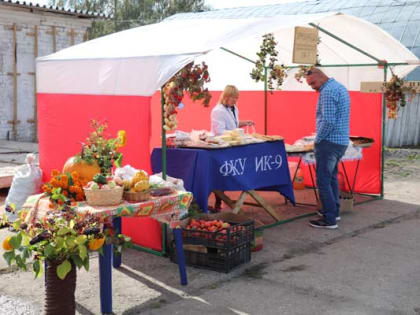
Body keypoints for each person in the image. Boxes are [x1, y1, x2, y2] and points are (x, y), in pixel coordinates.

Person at [305, 68, 350, 229]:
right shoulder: (339, 87)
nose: (312, 87)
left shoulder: (328, 91)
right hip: (341, 141)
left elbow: (328, 121)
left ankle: (329, 219)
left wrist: (317, 139)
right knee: (331, 178)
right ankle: (334, 212)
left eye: (313, 83)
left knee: (323, 180)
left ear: (321, 77)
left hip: (329, 142)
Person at [210, 85, 254, 211]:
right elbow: (219, 131)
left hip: (233, 145)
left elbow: (234, 123)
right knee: (221, 174)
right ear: (226, 96)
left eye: (236, 98)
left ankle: (223, 198)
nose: (235, 100)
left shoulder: (234, 108)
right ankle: (218, 200)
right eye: (233, 98)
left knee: (230, 172)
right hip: (222, 146)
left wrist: (244, 123)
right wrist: (235, 134)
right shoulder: (218, 110)